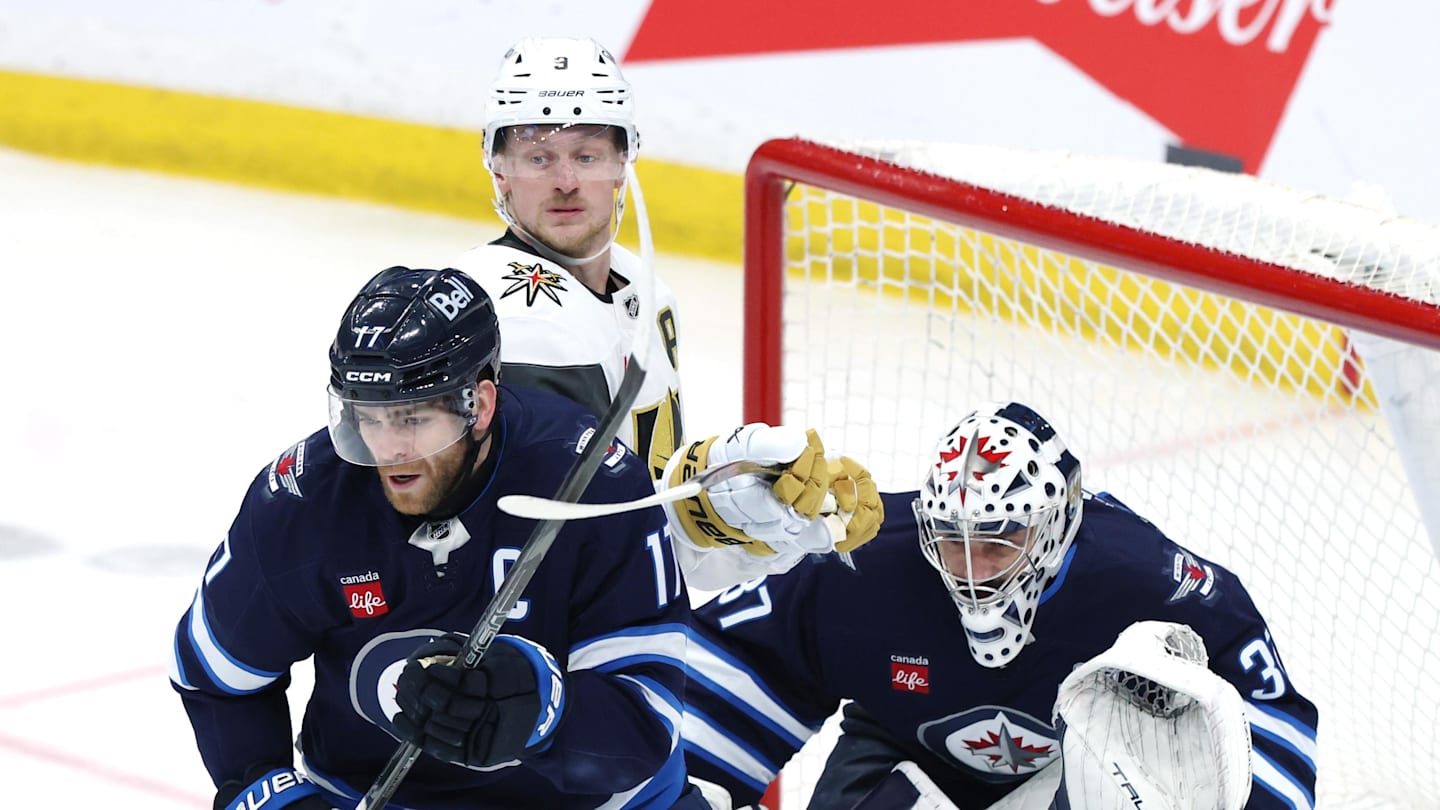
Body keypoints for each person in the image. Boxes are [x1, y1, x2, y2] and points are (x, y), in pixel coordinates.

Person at [170, 266, 709, 809]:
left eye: (413, 419)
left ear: (481, 406)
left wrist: (540, 709)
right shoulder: (302, 502)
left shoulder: (591, 482)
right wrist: (271, 796)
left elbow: (645, 723)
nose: (389, 449)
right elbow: (215, 679)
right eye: (370, 418)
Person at [681, 402, 1319, 810]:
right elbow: (743, 659)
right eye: (951, 541)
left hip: (1082, 776)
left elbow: (1266, 707)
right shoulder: (868, 561)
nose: (973, 572)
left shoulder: (1142, 581)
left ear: (1056, 525)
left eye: (998, 540)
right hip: (903, 753)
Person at [452, 36, 882, 591]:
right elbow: (574, 557)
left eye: (587, 155)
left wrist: (774, 520)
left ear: (623, 162)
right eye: (538, 157)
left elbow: (655, 550)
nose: (566, 180)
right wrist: (709, 501)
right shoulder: (514, 316)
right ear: (499, 169)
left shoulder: (643, 287)